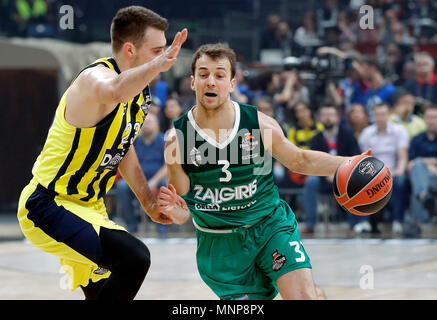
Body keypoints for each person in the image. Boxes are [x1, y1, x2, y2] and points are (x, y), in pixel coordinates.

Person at [157, 43, 369, 300]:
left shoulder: (258, 124)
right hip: (220, 247)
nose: (211, 81)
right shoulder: (176, 140)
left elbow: (300, 160)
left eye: (220, 75)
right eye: (203, 75)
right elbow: (181, 210)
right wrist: (173, 211)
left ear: (232, 84)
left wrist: (350, 162)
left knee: (303, 297)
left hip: (270, 226)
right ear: (193, 82)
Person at [16, 6, 188, 300]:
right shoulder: (94, 78)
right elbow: (115, 91)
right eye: (158, 51)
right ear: (130, 49)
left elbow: (123, 146)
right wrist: (156, 66)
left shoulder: (140, 95)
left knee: (103, 291)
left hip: (88, 208)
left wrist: (148, 202)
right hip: (47, 204)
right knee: (134, 258)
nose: (165, 59)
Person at [302, 105, 363, 234]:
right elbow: (313, 163)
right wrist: (326, 174)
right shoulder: (315, 139)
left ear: (337, 118)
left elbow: (356, 157)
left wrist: (339, 173)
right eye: (324, 115)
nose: (327, 118)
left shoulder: (348, 135)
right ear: (319, 119)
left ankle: (354, 223)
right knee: (311, 182)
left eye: (330, 115)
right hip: (323, 177)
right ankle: (310, 224)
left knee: (356, 180)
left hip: (345, 176)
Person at [359, 103, 409, 234]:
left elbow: (402, 155)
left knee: (401, 181)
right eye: (377, 115)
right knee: (357, 183)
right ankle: (363, 222)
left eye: (383, 114)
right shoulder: (367, 133)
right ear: (373, 116)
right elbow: (363, 158)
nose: (380, 118)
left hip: (394, 171)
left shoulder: (399, 130)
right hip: (372, 173)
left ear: (389, 115)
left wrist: (400, 169)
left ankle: (398, 221)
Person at [115, 113, 167, 234]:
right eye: (144, 122)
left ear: (157, 125)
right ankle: (131, 223)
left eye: (149, 122)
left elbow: (168, 166)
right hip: (139, 178)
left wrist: (154, 181)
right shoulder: (135, 142)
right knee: (122, 186)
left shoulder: (164, 141)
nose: (146, 125)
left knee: (166, 185)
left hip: (158, 178)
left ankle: (163, 223)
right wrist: (138, 182)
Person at [404, 104, 437, 238]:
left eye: (434, 117)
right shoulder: (417, 140)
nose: (431, 121)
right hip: (425, 177)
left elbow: (417, 163)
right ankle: (424, 197)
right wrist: (431, 164)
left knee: (419, 172)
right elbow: (410, 165)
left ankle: (416, 223)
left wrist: (424, 164)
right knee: (418, 175)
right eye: (428, 117)